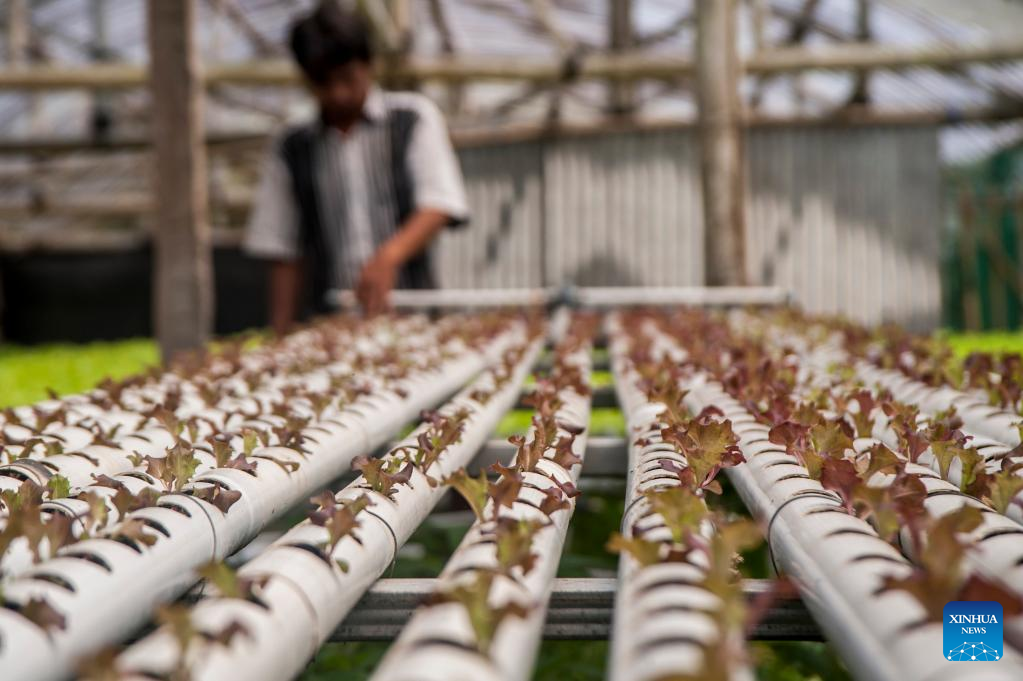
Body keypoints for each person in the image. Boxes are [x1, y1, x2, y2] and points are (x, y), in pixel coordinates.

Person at [244, 2, 468, 333]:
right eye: (323, 83)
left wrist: (389, 257)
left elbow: (438, 203)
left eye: (348, 78)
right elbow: (282, 246)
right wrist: (280, 330)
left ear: (369, 64)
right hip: (330, 325)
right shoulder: (292, 144)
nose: (338, 94)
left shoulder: (412, 119)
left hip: (414, 320)